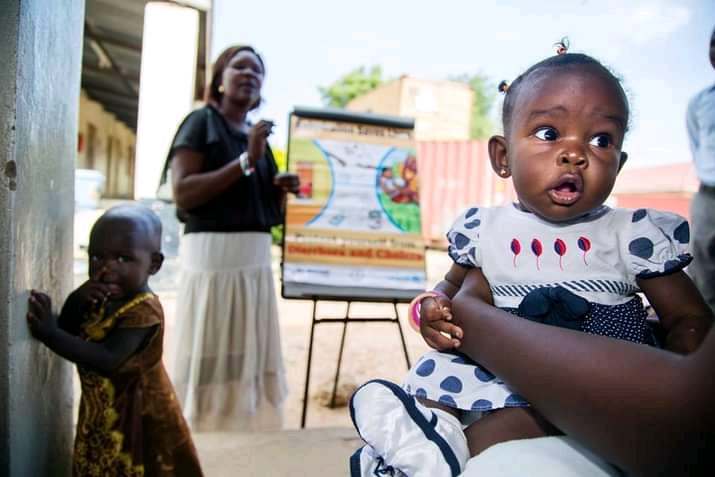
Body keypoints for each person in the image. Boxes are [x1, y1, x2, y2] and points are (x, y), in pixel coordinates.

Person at [349, 44, 715, 477]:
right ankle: (417, 437)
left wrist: (669, 377)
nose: (575, 154)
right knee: (441, 395)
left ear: (619, 164)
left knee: (509, 430)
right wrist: (427, 311)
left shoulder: (631, 233)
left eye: (601, 140)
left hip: (592, 383)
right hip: (499, 370)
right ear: (503, 157)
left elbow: (689, 318)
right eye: (548, 133)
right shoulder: (485, 229)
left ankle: (430, 459)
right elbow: (446, 289)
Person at [167, 45, 299, 432]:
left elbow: (268, 215)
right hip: (214, 259)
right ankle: (202, 425)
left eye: (258, 70)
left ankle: (245, 423)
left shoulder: (257, 138)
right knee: (211, 342)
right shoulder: (201, 122)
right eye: (239, 66)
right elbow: (184, 193)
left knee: (247, 346)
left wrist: (278, 187)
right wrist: (246, 161)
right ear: (220, 80)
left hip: (253, 259)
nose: (249, 74)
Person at [25, 204, 204, 476]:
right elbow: (70, 329)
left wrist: (50, 334)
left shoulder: (144, 311)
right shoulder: (100, 298)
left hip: (137, 421)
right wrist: (75, 301)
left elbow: (108, 359)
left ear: (153, 264)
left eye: (122, 259)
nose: (106, 268)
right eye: (96, 257)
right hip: (102, 417)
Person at [687, 25, 715, 313]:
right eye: (713, 42)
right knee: (705, 272)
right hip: (709, 196)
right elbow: (697, 146)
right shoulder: (700, 103)